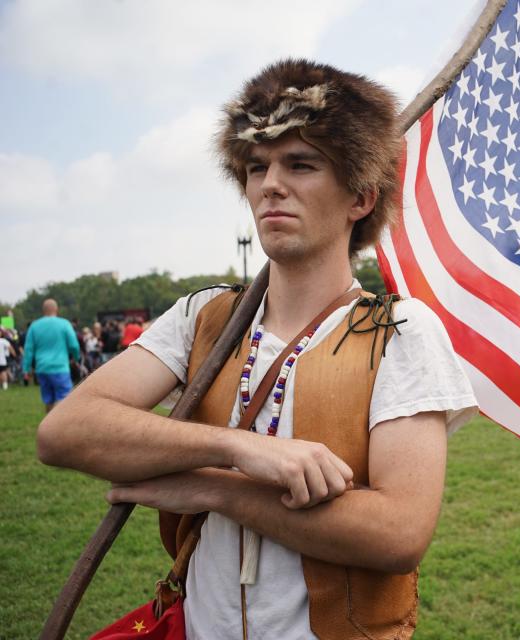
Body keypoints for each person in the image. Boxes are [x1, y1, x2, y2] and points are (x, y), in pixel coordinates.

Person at [36, 59, 478, 639]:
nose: (271, 184)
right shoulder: (204, 316)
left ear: (361, 198)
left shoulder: (401, 331)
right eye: (256, 166)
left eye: (302, 164)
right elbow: (65, 432)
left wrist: (216, 487)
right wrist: (235, 449)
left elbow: (399, 533)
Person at [23, 298, 81, 412]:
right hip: (60, 368)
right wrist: (76, 358)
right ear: (56, 309)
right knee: (64, 398)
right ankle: (56, 426)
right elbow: (74, 345)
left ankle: (48, 426)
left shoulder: (34, 326)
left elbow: (28, 349)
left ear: (43, 310)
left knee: (48, 400)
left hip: (42, 369)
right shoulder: (64, 324)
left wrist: (26, 368)